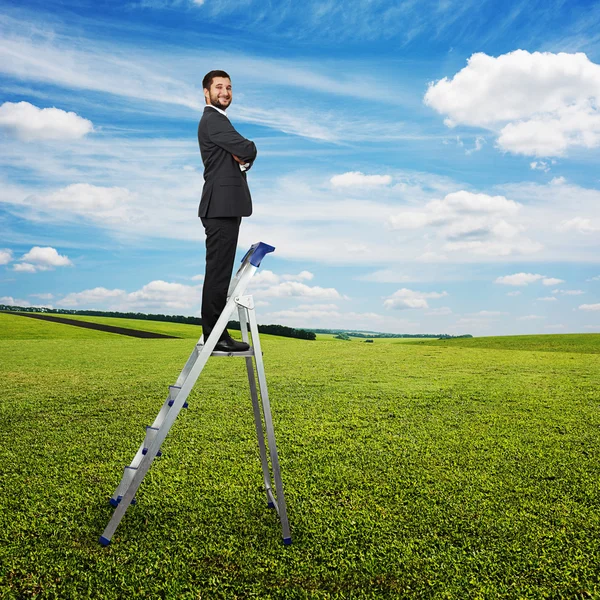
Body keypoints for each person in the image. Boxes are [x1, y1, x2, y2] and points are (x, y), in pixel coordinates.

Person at [198, 70, 257, 352]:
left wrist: (242, 157)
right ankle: (215, 337)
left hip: (224, 205)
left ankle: (216, 334)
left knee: (220, 272)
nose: (225, 92)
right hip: (219, 206)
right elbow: (246, 148)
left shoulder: (219, 121)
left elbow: (241, 155)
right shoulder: (214, 120)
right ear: (206, 93)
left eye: (229, 87)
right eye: (219, 87)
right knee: (218, 274)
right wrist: (248, 150)